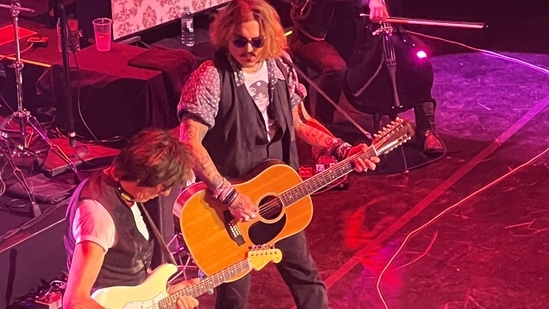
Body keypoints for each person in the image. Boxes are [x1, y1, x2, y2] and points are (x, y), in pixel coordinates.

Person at [176, 0, 379, 308]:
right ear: (226, 36)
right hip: (227, 207)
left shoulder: (279, 66)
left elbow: (299, 121)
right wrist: (230, 196)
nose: (249, 49)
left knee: (307, 280)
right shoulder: (211, 77)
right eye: (239, 41)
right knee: (234, 297)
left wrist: (343, 149)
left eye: (257, 41)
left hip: (278, 194)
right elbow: (189, 142)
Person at [63, 128, 199, 309]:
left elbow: (127, 270)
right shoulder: (98, 215)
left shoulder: (124, 191)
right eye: (163, 185)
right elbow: (76, 302)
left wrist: (165, 293)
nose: (165, 193)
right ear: (143, 176)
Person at [289, 0, 445, 154]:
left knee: (414, 57)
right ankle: (323, 130)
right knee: (335, 68)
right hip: (320, 34)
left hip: (362, 29)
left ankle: (426, 128)